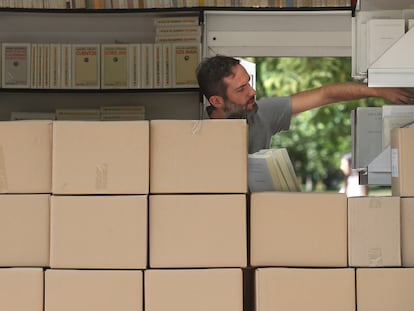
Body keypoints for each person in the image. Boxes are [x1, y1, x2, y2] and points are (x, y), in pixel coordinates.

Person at [196, 55, 414, 154]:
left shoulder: (260, 114)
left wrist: (379, 91)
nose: (253, 91)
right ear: (216, 101)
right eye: (241, 89)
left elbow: (325, 94)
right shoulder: (196, 141)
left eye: (249, 83)